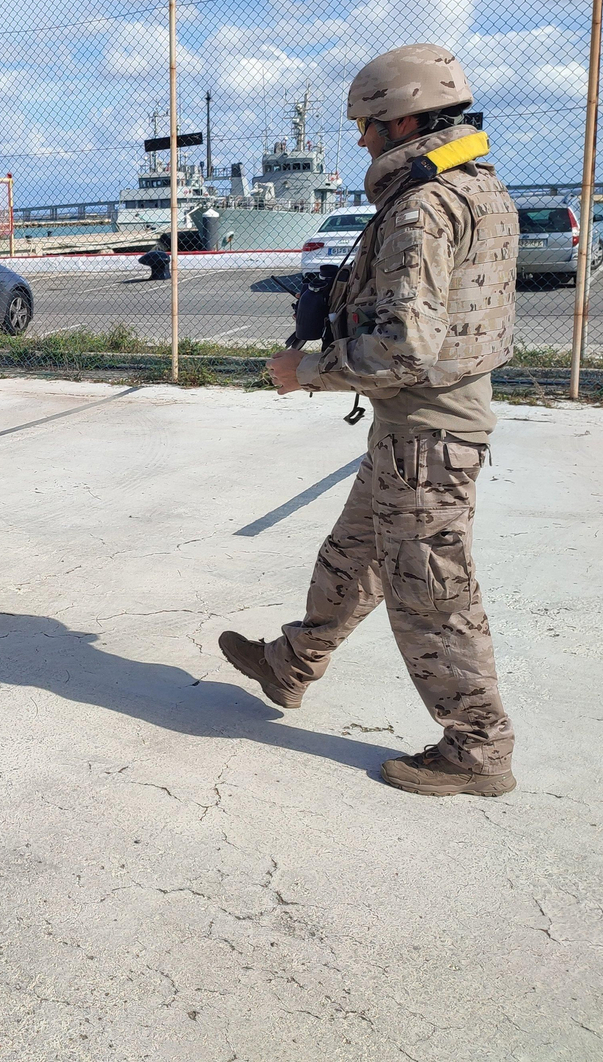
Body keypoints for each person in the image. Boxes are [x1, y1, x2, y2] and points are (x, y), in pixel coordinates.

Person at [220, 44, 519, 797]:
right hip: (415, 431)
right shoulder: (478, 186)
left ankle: (477, 750)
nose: (360, 140)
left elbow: (404, 350)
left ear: (405, 120)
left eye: (367, 125)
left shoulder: (423, 206)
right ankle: (290, 664)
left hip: (429, 436)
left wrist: (306, 371)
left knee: (433, 597)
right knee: (353, 556)